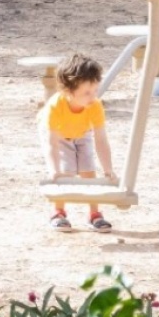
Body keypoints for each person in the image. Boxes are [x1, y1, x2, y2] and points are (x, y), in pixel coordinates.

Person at [41, 53, 116, 231]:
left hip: (82, 133)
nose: (92, 96)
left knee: (88, 172)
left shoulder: (94, 105)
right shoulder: (54, 107)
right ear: (68, 91)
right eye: (86, 93)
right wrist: (54, 170)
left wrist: (108, 169)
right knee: (64, 174)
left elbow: (101, 139)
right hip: (60, 135)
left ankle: (94, 214)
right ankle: (58, 212)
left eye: (95, 90)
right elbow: (51, 142)